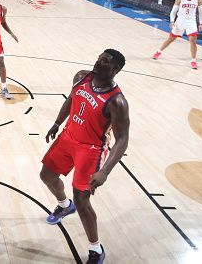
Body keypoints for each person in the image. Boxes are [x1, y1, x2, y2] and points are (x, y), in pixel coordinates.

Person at [40, 49, 129, 264]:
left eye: (105, 61)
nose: (99, 62)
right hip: (67, 137)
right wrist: (56, 123)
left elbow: (122, 139)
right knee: (47, 176)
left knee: (82, 199)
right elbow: (71, 100)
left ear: (115, 69)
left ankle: (95, 249)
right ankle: (63, 205)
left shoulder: (117, 102)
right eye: (99, 57)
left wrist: (104, 171)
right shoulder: (81, 77)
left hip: (90, 150)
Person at [152, 0, 202, 69]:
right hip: (180, 21)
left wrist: (201, 23)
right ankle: (159, 51)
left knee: (193, 41)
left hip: (191, 21)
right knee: (171, 39)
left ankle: (193, 61)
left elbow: (201, 13)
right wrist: (172, 21)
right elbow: (173, 12)